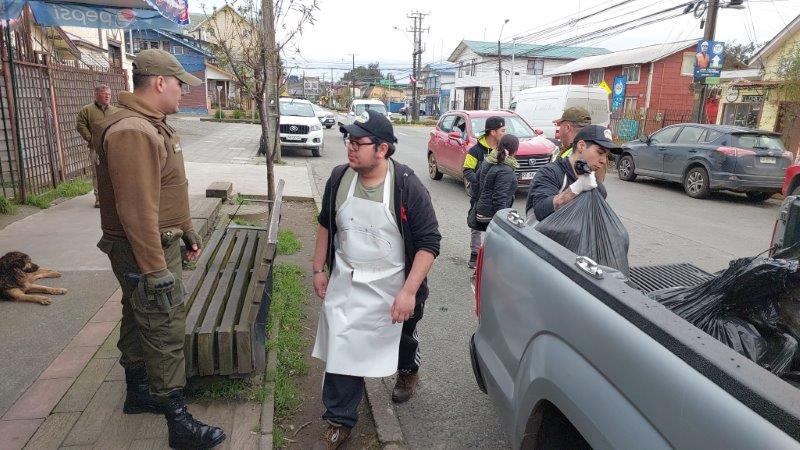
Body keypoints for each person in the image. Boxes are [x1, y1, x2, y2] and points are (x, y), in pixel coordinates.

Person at [93, 49, 225, 449]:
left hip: (155, 243)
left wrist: (185, 227)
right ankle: (179, 423)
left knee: (138, 317)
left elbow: (164, 190)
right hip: (145, 251)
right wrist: (155, 270)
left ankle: (138, 393)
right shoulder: (133, 130)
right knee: (164, 325)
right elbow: (135, 210)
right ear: (159, 83)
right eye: (180, 83)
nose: (183, 91)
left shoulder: (151, 125)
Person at [312, 109, 441, 449]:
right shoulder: (339, 178)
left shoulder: (407, 186)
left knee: (401, 340)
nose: (350, 148)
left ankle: (408, 370)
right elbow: (326, 224)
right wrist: (317, 269)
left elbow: (429, 244)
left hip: (396, 285)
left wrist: (409, 292)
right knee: (343, 344)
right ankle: (340, 418)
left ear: (382, 149)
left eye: (358, 142)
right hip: (348, 280)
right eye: (348, 140)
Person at [526, 125, 622, 222]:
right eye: (600, 152)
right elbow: (540, 211)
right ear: (581, 146)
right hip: (538, 236)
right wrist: (576, 189)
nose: (604, 161)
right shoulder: (550, 173)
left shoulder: (598, 189)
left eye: (607, 156)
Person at [463, 116, 505, 268]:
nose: (504, 133)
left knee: (494, 227)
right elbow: (467, 170)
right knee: (476, 225)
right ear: (493, 132)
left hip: (496, 197)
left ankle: (489, 257)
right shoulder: (475, 151)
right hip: (479, 195)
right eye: (503, 130)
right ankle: (474, 255)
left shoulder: (502, 150)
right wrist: (480, 182)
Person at [76, 84, 117, 208]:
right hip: (96, 148)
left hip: (113, 147)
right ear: (96, 94)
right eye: (104, 94)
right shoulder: (87, 110)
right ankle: (99, 199)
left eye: (109, 94)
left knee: (115, 172)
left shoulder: (115, 111)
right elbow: (80, 125)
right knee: (97, 174)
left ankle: (114, 197)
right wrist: (91, 139)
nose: (107, 96)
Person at [473, 134, 520, 226]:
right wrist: (502, 220)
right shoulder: (505, 169)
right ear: (515, 150)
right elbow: (499, 197)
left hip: (482, 209)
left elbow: (476, 179)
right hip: (491, 214)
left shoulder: (490, 159)